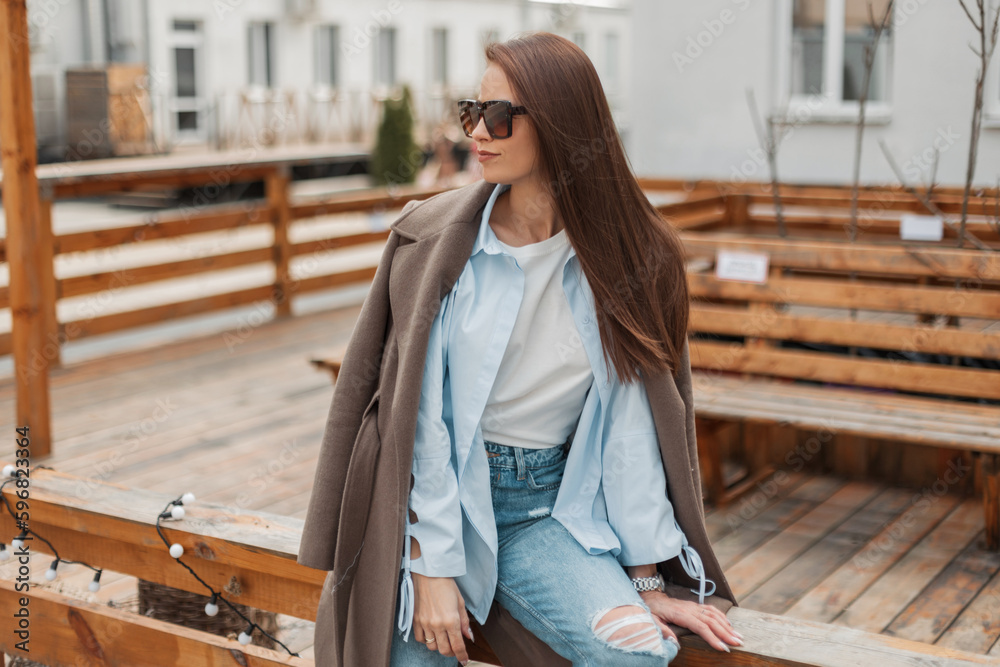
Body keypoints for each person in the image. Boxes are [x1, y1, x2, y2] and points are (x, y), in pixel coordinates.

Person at [384, 32, 741, 666]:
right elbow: (422, 422)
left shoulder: (630, 258)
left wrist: (646, 579)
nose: (477, 131)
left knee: (637, 654)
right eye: (472, 110)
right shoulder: (443, 245)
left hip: (548, 510)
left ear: (558, 123)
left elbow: (634, 430)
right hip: (433, 505)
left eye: (497, 114)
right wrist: (431, 566)